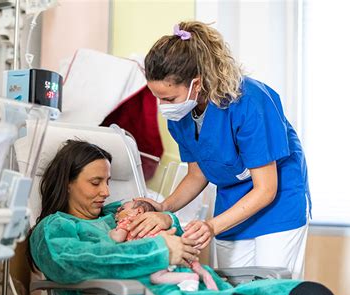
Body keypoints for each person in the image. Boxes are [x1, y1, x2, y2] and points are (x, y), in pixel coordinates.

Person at [27, 140, 338, 295]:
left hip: (202, 287)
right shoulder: (55, 230)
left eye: (108, 181)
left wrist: (166, 219)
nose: (106, 192)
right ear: (66, 183)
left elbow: (176, 233)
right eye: (95, 183)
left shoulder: (117, 213)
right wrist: (160, 250)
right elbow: (75, 264)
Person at [130, 21, 311, 279]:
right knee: (232, 292)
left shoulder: (250, 102)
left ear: (197, 83)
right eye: (157, 97)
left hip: (277, 203)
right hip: (232, 203)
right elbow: (197, 174)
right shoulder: (180, 117)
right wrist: (164, 207)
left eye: (169, 99)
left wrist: (211, 226)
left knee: (273, 292)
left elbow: (266, 189)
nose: (163, 106)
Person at [109, 200, 218, 290]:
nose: (117, 212)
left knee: (156, 277)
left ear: (138, 211)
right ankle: (206, 277)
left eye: (122, 209)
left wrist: (110, 232)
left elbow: (117, 238)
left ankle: (189, 278)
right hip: (178, 245)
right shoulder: (157, 224)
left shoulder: (128, 220)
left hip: (162, 252)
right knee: (195, 265)